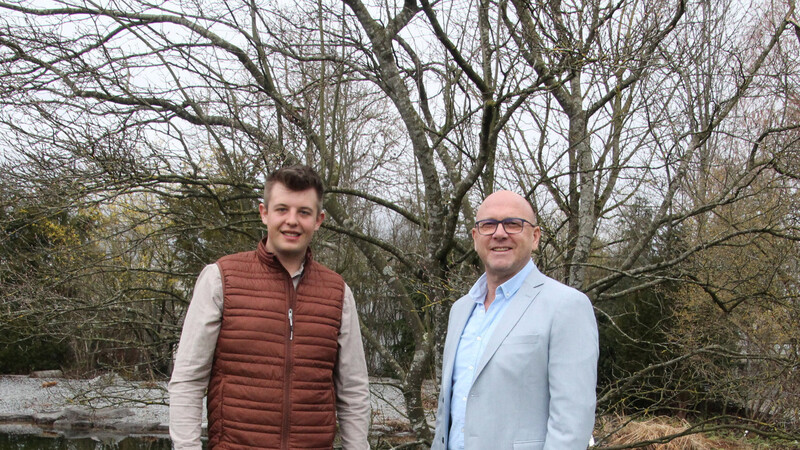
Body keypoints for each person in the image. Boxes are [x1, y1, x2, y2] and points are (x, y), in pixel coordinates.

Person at [168, 165, 370, 449]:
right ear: (264, 213)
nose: (292, 221)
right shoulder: (220, 279)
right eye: (282, 209)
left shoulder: (338, 292)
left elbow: (354, 392)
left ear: (319, 219)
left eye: (303, 212)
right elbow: (188, 381)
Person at [432, 190, 598, 450]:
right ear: (476, 238)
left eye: (513, 224)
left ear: (535, 237)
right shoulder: (460, 310)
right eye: (488, 225)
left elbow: (571, 425)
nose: (499, 233)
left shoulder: (567, 306)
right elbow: (447, 415)